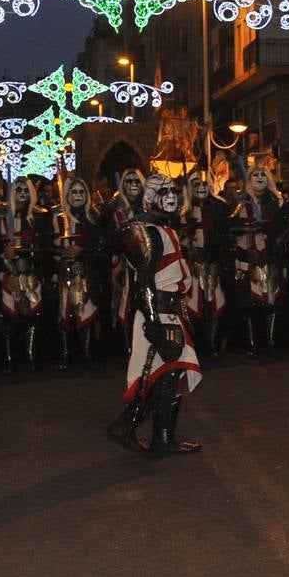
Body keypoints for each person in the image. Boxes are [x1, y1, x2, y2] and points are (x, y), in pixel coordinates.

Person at [109, 174, 202, 455]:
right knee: (164, 374)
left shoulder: (164, 228)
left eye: (174, 189)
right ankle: (148, 433)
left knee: (166, 376)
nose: (171, 194)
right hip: (159, 313)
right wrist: (153, 322)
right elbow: (144, 280)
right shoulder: (151, 232)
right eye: (163, 191)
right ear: (150, 197)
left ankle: (154, 434)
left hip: (169, 311)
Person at [229, 163, 289, 356]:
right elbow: (228, 228)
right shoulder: (240, 202)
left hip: (270, 258)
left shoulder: (276, 202)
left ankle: (271, 342)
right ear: (249, 178)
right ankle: (252, 344)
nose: (259, 178)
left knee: (271, 302)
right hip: (246, 258)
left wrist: (273, 245)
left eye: (263, 174)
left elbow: (286, 230)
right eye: (255, 174)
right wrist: (247, 229)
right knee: (248, 303)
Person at [0, 177, 50, 373]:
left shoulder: (40, 217)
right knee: (7, 316)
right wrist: (4, 254)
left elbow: (45, 246)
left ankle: (30, 356)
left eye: (26, 191)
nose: (22, 194)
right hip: (7, 275)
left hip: (31, 274)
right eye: (18, 190)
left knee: (32, 317)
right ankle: (10, 359)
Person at [53, 178, 104, 369]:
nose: (77, 196)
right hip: (64, 272)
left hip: (87, 272)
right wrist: (63, 252)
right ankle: (66, 353)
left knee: (87, 312)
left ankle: (88, 352)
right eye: (73, 192)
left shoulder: (93, 217)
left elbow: (100, 243)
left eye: (81, 192)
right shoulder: (58, 217)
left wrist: (82, 248)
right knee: (64, 314)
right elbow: (49, 245)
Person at [182, 169, 230, 357]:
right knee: (192, 306)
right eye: (196, 184)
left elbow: (223, 236)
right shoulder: (183, 210)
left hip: (212, 263)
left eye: (203, 184)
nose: (201, 188)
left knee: (214, 304)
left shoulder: (218, 207)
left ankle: (213, 344)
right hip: (191, 265)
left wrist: (218, 260)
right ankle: (196, 345)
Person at [103, 168, 146, 350]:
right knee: (124, 307)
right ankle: (127, 348)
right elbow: (106, 238)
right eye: (128, 181)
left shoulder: (148, 207)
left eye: (137, 181)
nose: (133, 185)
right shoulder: (113, 210)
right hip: (123, 268)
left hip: (147, 267)